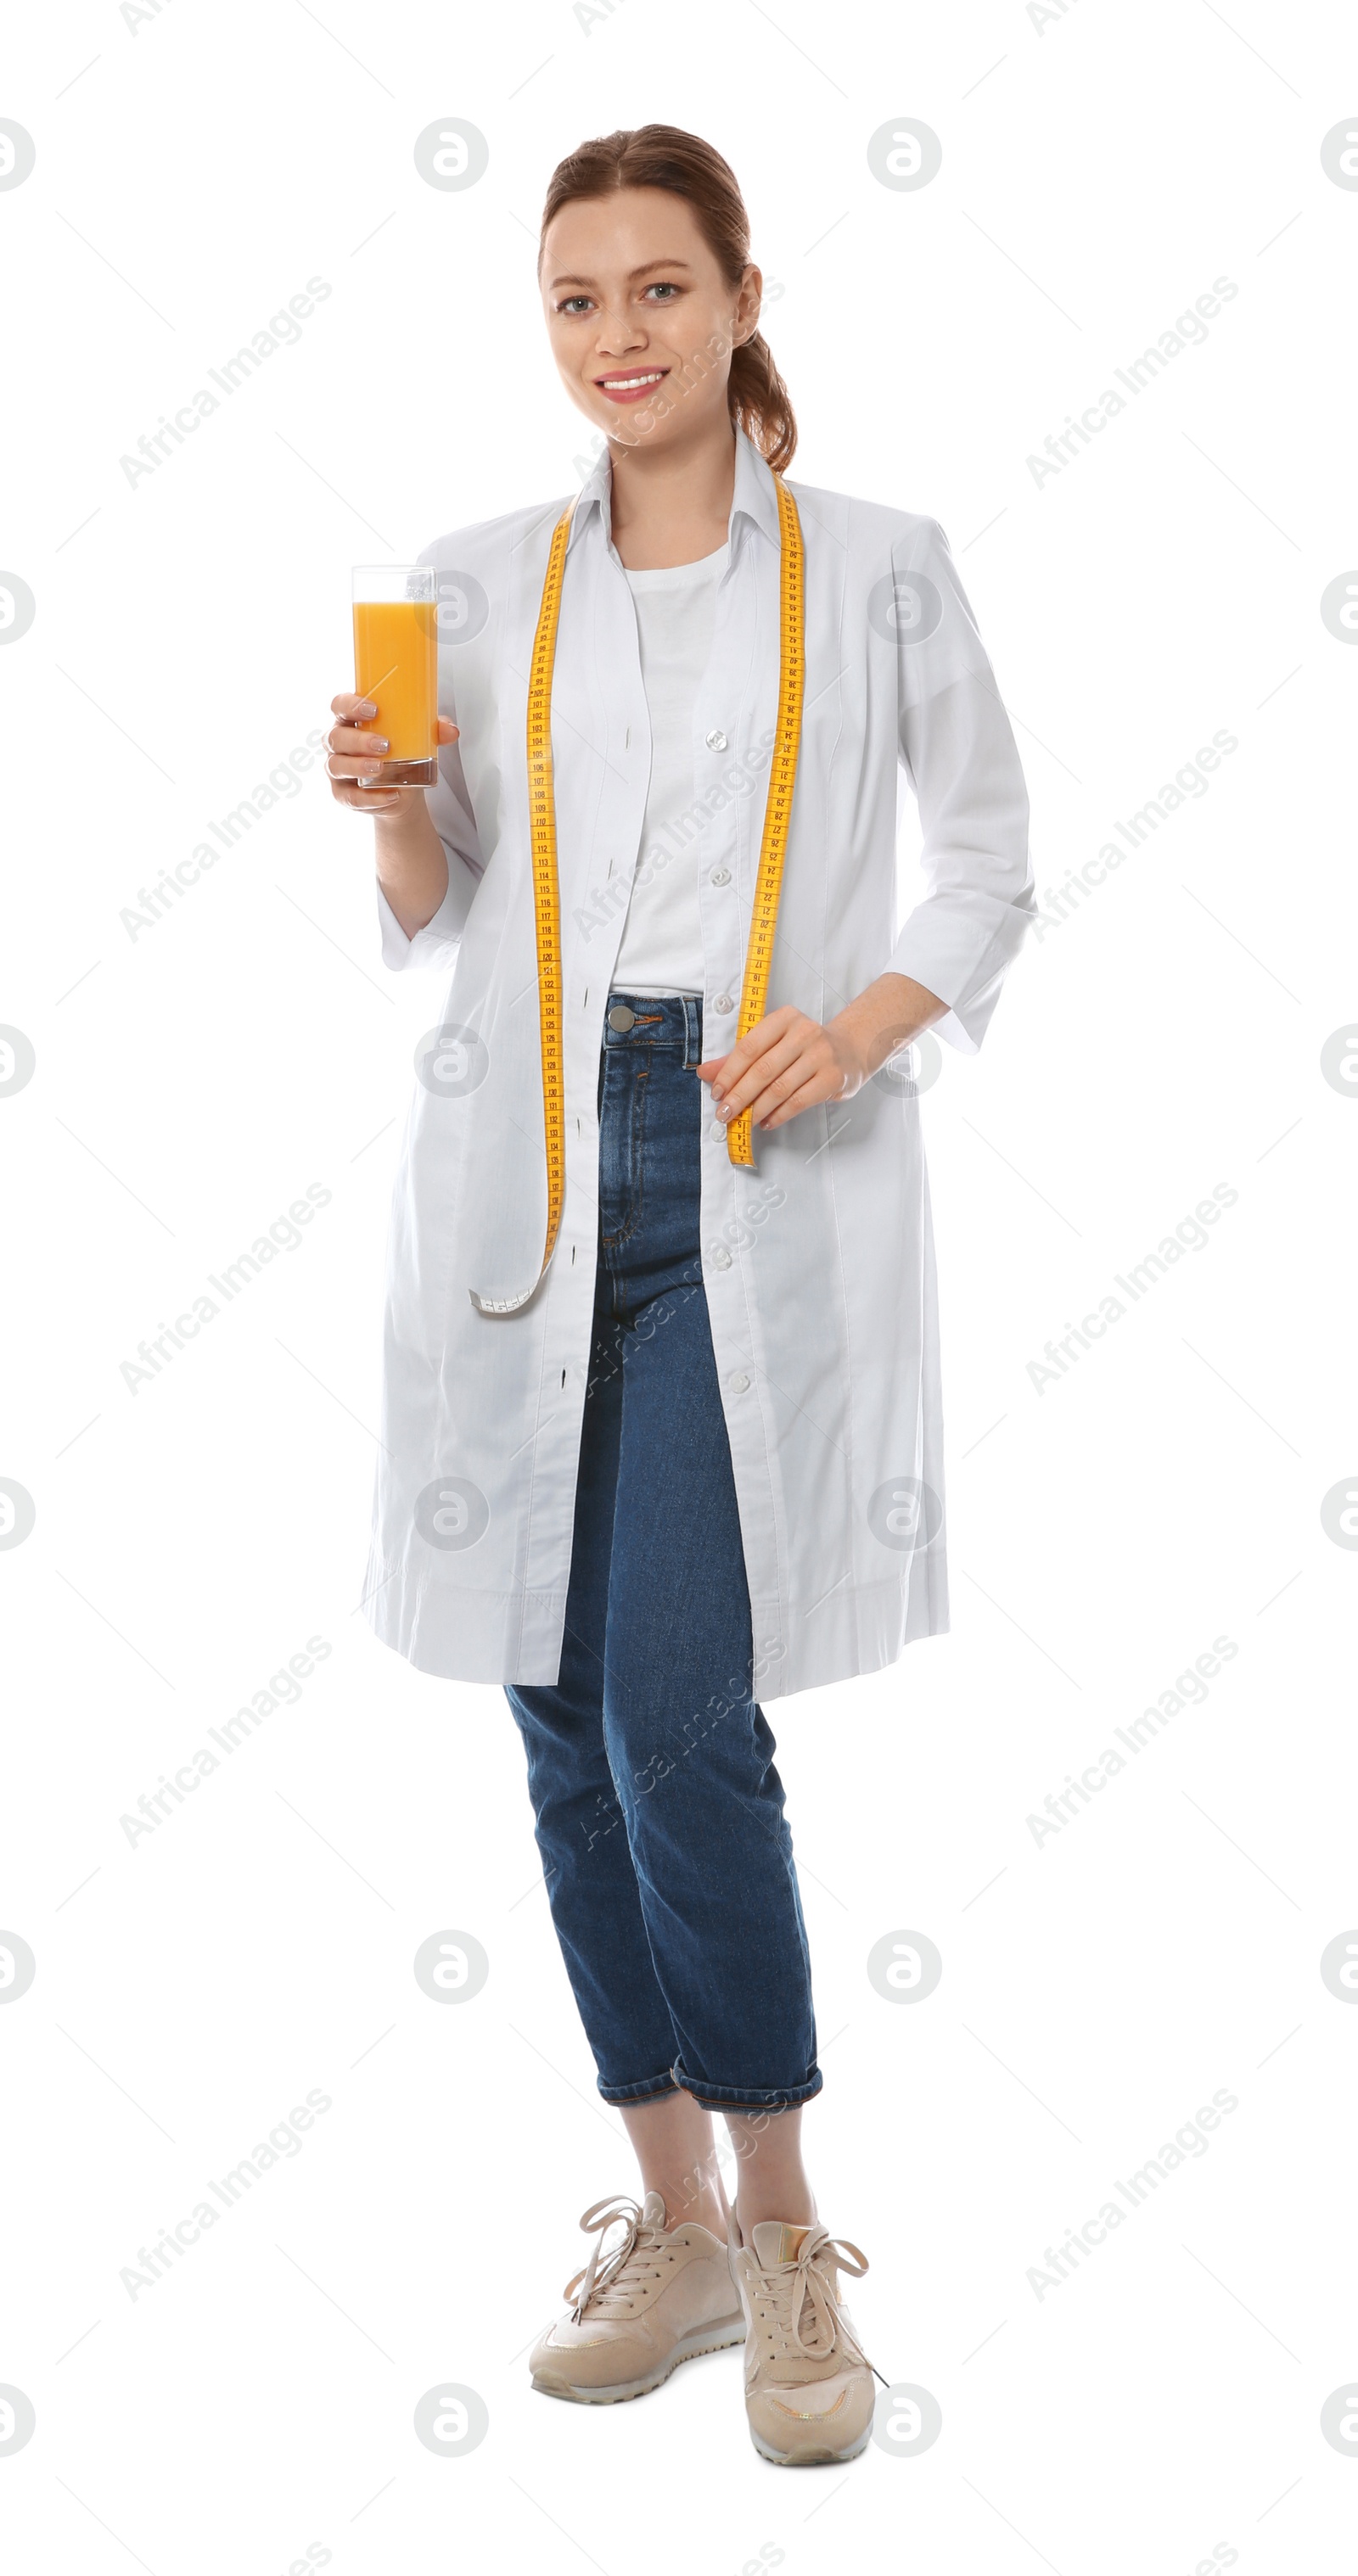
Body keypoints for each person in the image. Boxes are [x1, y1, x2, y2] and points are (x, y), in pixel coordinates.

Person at [327, 123, 1032, 2467]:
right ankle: (676, 2225)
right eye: (571, 300)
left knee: (673, 1720)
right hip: (527, 1187)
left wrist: (865, 1021)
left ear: (743, 295)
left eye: (655, 287)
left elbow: (995, 863)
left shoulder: (883, 573)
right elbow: (439, 913)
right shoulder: (481, 576)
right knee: (551, 1719)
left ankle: (796, 2226)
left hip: (752, 1160)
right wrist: (394, 802)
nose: (614, 336)